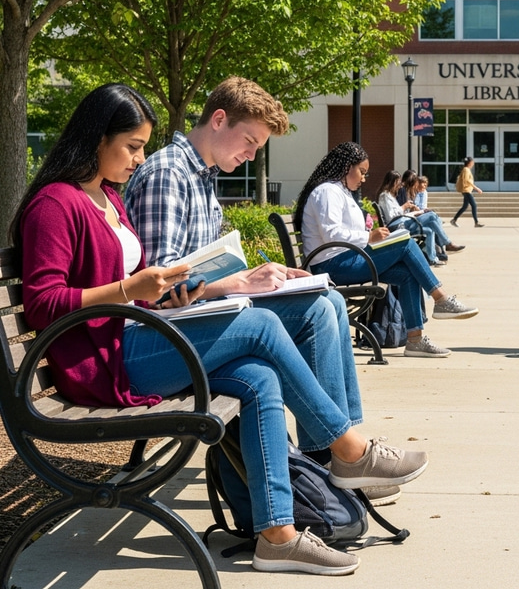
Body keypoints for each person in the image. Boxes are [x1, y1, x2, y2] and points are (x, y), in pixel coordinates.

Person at [10, 84, 428, 576]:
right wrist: (131, 289)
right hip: (106, 362)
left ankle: (278, 535)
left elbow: (148, 284)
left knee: (257, 376)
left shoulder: (108, 199)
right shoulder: (54, 205)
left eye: (142, 146)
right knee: (262, 324)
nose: (139, 159)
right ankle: (348, 450)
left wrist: (169, 290)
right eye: (132, 147)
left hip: (142, 337)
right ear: (95, 139)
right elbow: (41, 305)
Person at [125, 77, 360, 465]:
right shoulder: (169, 174)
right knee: (316, 311)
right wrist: (239, 283)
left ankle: (340, 450)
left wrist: (262, 276)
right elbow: (162, 288)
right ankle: (334, 458)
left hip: (198, 318)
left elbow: (207, 265)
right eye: (250, 141)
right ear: (219, 120)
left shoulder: (201, 176)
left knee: (328, 299)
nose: (251, 155)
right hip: (167, 334)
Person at [294, 143, 480, 359]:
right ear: (346, 167)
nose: (363, 178)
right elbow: (331, 233)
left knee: (406, 273)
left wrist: (372, 235)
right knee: (406, 244)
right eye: (361, 172)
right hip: (331, 265)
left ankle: (415, 340)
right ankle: (441, 299)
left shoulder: (339, 191)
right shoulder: (327, 191)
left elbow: (341, 232)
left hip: (346, 258)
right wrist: (368, 237)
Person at [376, 170, 465, 266]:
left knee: (429, 230)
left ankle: (433, 259)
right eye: (397, 182)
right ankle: (447, 243)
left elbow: (396, 213)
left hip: (402, 222)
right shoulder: (385, 196)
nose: (399, 185)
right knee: (431, 215)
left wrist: (411, 211)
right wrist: (404, 207)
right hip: (398, 226)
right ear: (392, 182)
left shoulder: (389, 196)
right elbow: (391, 216)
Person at [451, 157, 484, 227]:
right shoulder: (466, 170)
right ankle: (476, 222)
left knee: (465, 206)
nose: (473, 163)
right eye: (472, 162)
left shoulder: (466, 169)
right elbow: (467, 180)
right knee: (474, 205)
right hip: (466, 190)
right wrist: (476, 188)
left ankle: (454, 220)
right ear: (470, 163)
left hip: (467, 190)